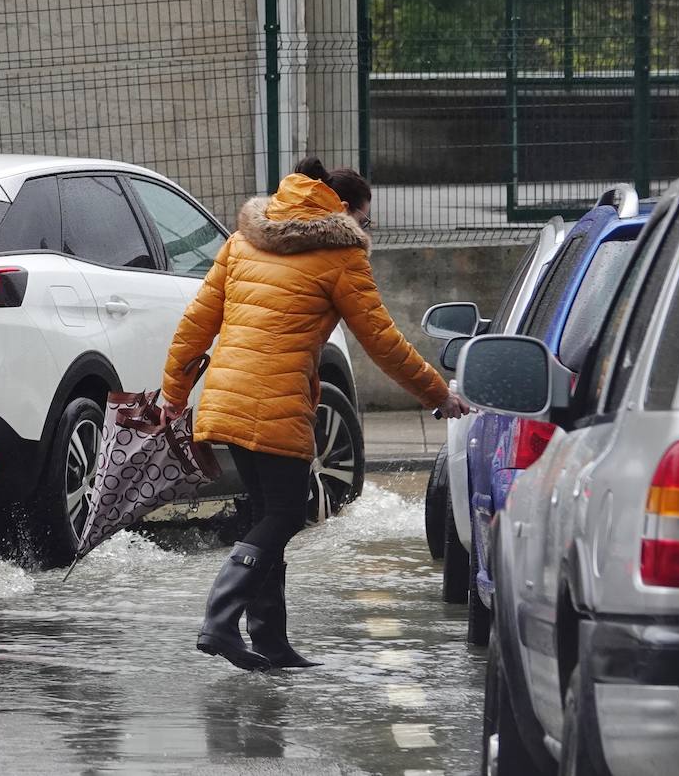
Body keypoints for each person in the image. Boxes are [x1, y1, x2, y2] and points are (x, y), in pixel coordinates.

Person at [160, 157, 468, 671]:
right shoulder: (341, 255)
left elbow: (196, 323)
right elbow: (383, 341)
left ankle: (270, 641)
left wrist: (174, 394)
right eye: (364, 219)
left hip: (225, 400)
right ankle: (219, 619)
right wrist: (438, 394)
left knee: (266, 516)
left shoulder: (243, 240)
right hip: (275, 403)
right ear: (342, 209)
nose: (365, 230)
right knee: (284, 514)